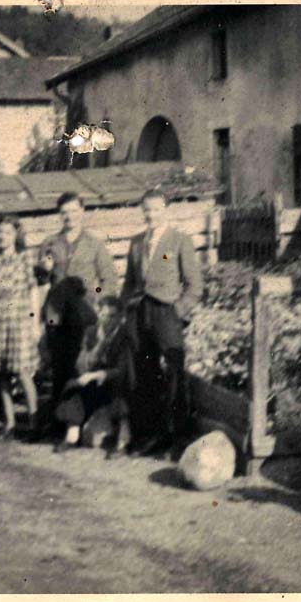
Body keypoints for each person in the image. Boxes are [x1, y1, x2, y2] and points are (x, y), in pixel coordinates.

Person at [120, 189, 203, 457]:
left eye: (156, 209)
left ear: (165, 210)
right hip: (139, 313)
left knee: (174, 373)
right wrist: (126, 309)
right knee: (143, 373)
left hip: (166, 313)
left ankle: (177, 439)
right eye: (146, 209)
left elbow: (195, 285)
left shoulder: (179, 240)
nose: (151, 214)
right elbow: (129, 283)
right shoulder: (136, 242)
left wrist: (177, 311)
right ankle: (149, 437)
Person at [37, 192, 118, 432]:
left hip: (84, 316)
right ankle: (58, 422)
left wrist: (96, 296)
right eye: (64, 212)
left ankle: (79, 422)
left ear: (82, 212)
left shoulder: (94, 244)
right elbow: (40, 280)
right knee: (58, 366)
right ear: (59, 215)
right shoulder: (50, 243)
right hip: (56, 314)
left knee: (80, 367)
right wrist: (44, 270)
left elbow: (108, 279)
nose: (69, 216)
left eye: (73, 211)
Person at [0, 216, 42, 440]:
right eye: (0, 232)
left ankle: (34, 424)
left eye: (8, 232)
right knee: (2, 374)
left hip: (20, 320)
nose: (3, 236)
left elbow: (33, 291)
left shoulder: (25, 258)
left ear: (16, 234)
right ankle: (10, 423)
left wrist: (35, 322)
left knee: (23, 372)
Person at [52, 295, 135, 457]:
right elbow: (81, 364)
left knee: (121, 392)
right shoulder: (91, 333)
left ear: (120, 317)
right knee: (74, 387)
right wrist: (99, 345)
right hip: (95, 380)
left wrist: (97, 374)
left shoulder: (125, 336)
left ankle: (123, 442)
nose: (107, 320)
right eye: (104, 315)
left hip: (115, 379)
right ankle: (71, 437)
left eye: (112, 316)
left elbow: (122, 369)